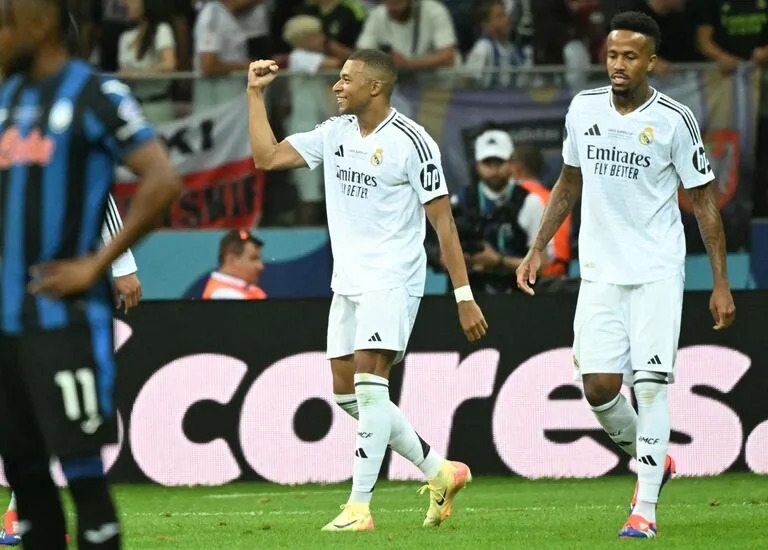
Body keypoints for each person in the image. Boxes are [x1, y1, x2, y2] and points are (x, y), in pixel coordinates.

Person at [516, 11, 736, 539]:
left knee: (652, 387)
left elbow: (705, 205)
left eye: (630, 56)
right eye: (612, 55)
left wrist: (721, 283)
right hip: (599, 274)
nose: (618, 64)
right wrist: (537, 246)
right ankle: (654, 459)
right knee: (597, 388)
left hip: (657, 271)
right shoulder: (582, 108)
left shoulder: (674, 120)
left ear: (650, 61)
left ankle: (646, 511)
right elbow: (569, 182)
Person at [247, 49, 487, 531]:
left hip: (393, 278)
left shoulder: (412, 143)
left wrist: (463, 296)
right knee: (347, 394)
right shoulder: (333, 133)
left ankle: (358, 507)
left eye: (345, 79)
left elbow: (444, 224)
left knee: (370, 385)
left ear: (374, 87)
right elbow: (266, 157)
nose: (336, 86)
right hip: (350, 280)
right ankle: (439, 471)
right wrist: (254, 93)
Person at [0, 2, 181, 550]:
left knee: (86, 488)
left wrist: (98, 265)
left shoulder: (95, 95)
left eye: (4, 23)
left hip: (64, 322)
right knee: (28, 493)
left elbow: (162, 182)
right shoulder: (7, 99)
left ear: (40, 22)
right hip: (6, 323)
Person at [0, 195, 142, 547]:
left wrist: (122, 264)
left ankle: (26, 508)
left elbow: (99, 190)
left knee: (50, 395)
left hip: (49, 285)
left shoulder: (58, 142)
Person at [448, 129, 555, 294]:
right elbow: (440, 253)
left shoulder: (530, 202)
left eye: (499, 162)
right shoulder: (459, 202)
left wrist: (499, 261)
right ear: (477, 165)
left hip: (516, 296)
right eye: (487, 162)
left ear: (512, 163)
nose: (493, 169)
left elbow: (542, 264)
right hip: (471, 294)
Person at [117, 0, 177, 123]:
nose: (124, 4)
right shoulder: (125, 37)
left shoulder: (161, 30)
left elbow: (169, 64)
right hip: (131, 107)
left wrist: (136, 73)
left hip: (156, 106)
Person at [202, 229, 267, 300]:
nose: (260, 266)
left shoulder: (249, 289)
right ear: (231, 260)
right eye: (253, 258)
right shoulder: (223, 294)